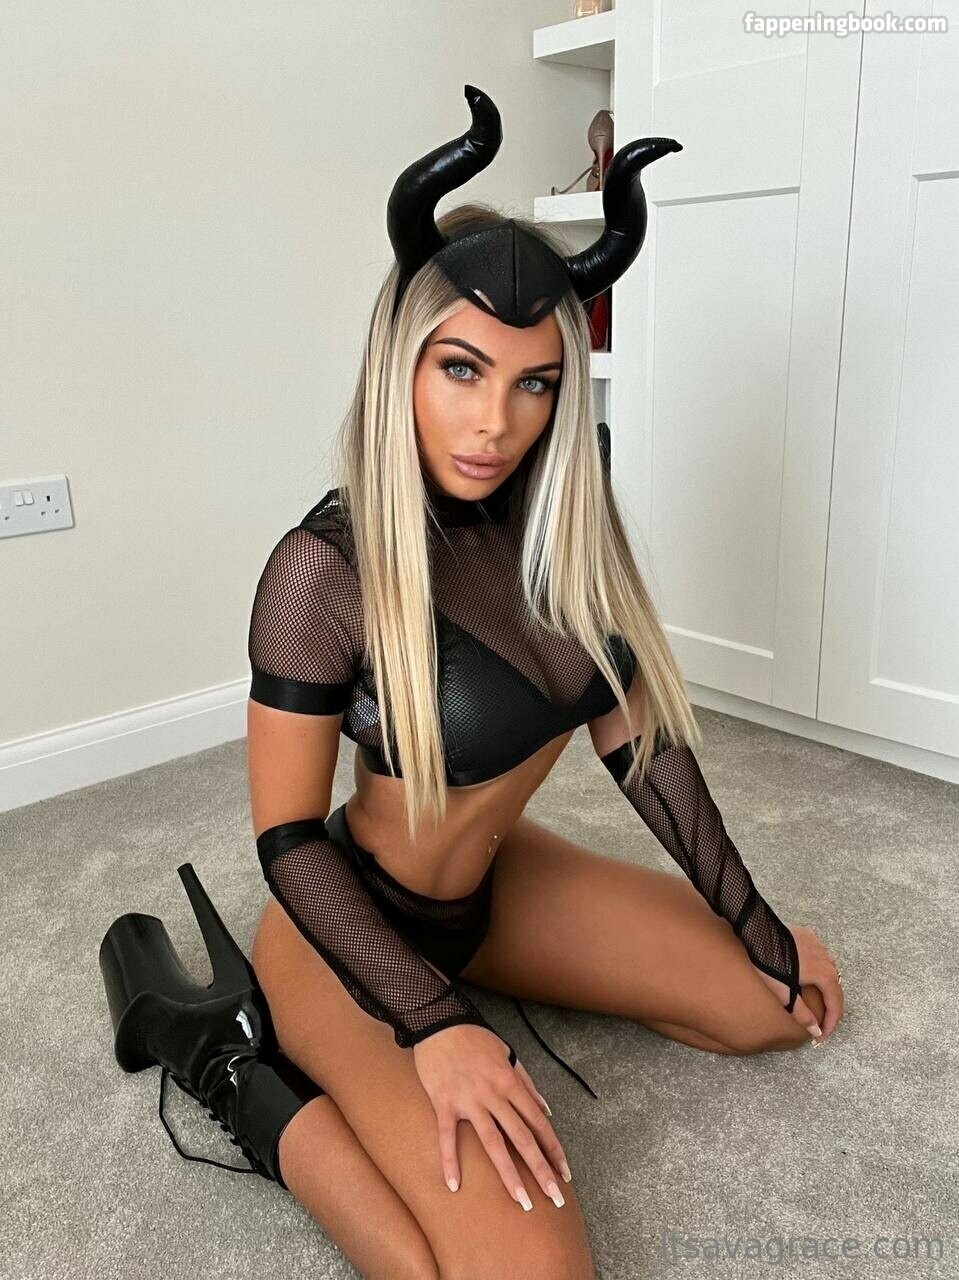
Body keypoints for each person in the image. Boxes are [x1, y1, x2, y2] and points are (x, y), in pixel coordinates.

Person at [100, 85, 843, 1280]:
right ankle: (228, 1065)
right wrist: (435, 1025)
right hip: (344, 928)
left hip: (493, 898)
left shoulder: (564, 534)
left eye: (532, 382)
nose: (493, 420)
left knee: (783, 1002)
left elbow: (642, 750)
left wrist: (751, 924)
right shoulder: (322, 571)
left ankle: (461, 997)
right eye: (459, 368)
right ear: (401, 360)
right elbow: (285, 838)